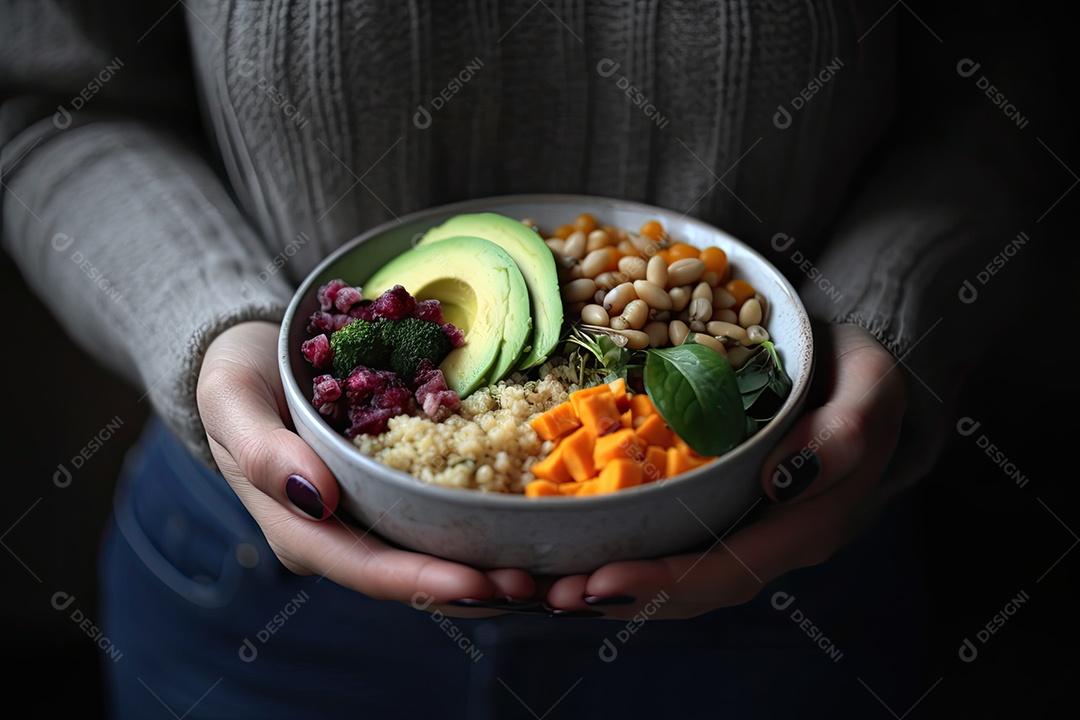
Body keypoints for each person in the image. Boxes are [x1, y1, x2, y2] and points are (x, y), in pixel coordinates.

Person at [1, 1, 1054, 717]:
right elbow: (43, 101)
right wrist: (212, 325)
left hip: (784, 593)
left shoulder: (672, 314)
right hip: (248, 593)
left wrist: (885, 321)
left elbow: (1021, 86)